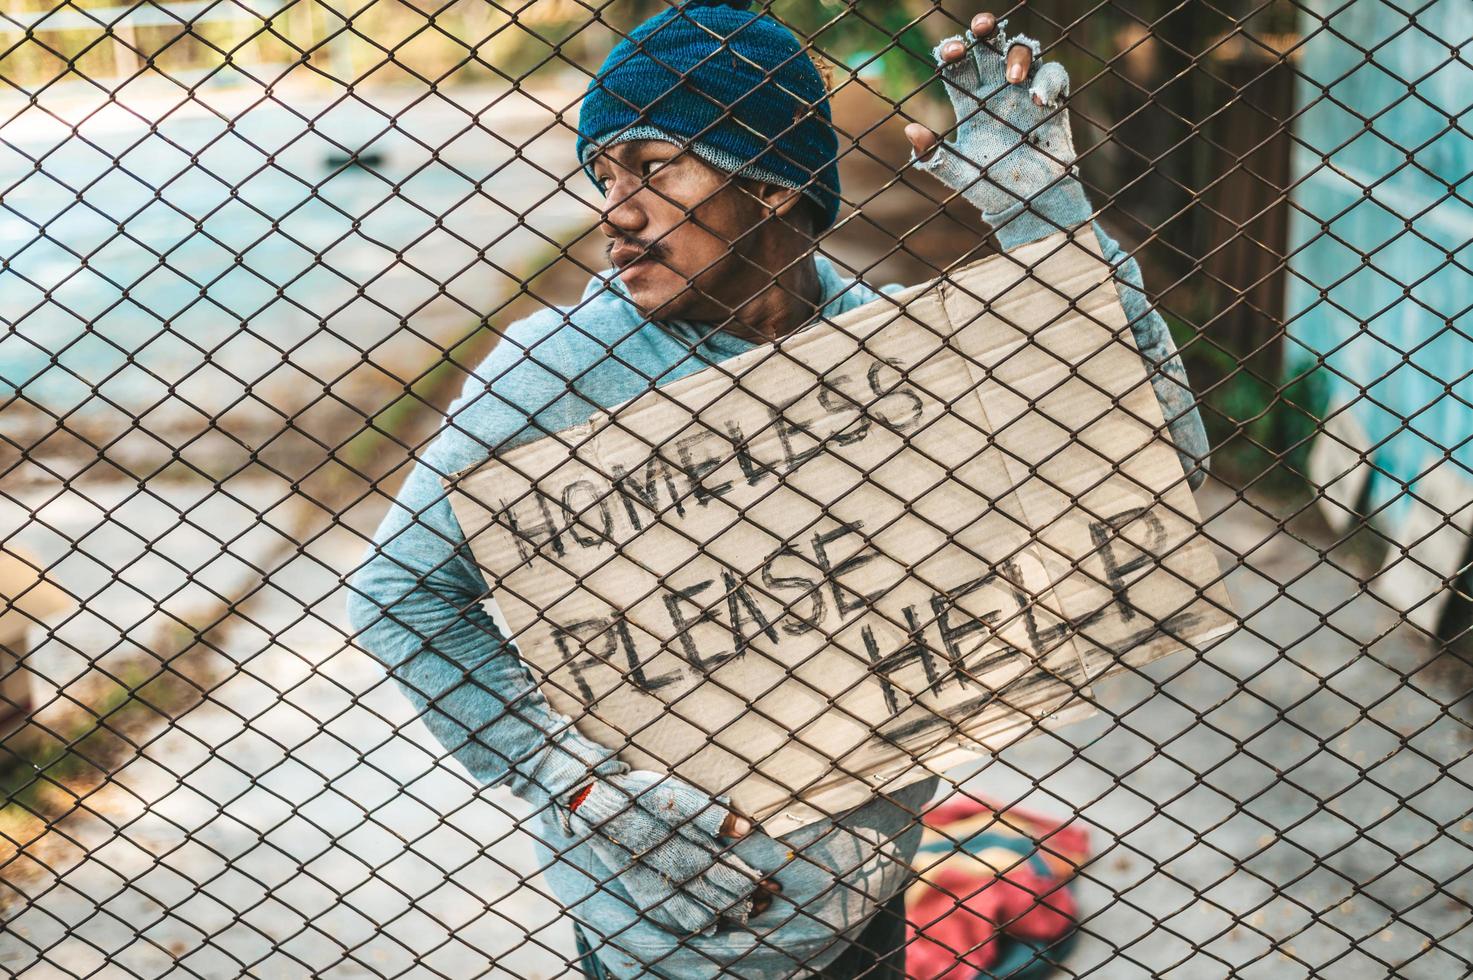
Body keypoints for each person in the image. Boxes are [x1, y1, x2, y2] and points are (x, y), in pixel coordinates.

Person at [346, 1, 1209, 976]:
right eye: (602, 174)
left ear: (769, 184)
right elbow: (401, 592)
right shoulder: (556, 370)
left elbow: (1153, 474)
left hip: (866, 906)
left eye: (654, 165)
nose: (613, 210)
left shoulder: (889, 362)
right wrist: (576, 779)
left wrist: (1053, 231)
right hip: (658, 942)